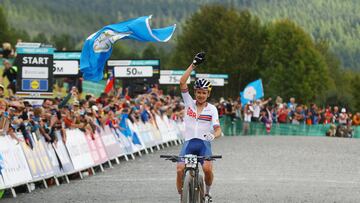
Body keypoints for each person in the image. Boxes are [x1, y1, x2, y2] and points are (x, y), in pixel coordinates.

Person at [177, 52, 222, 202]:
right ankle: (182, 195)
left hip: (203, 144)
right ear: (195, 92)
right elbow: (182, 82)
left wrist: (213, 135)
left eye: (204, 93)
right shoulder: (189, 103)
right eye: (198, 92)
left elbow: (218, 130)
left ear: (208, 94)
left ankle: (207, 192)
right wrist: (193, 65)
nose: (201, 95)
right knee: (179, 169)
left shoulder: (212, 109)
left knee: (208, 169)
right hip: (189, 143)